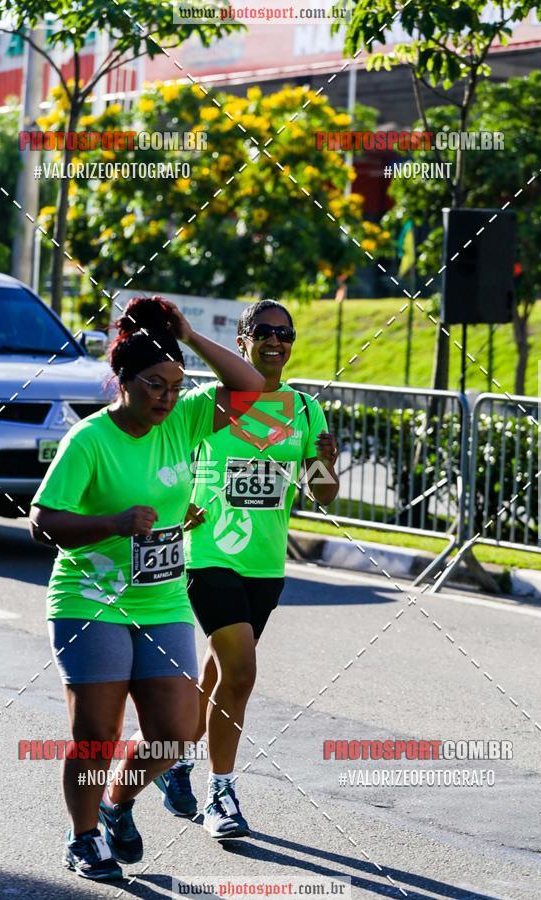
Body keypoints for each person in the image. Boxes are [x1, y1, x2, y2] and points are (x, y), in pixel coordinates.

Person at [30, 296, 264, 880]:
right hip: (91, 600)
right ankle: (82, 838)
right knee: (97, 732)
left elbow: (250, 387)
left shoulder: (183, 420)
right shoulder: (88, 441)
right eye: (154, 385)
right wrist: (111, 524)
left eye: (173, 385)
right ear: (123, 381)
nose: (165, 397)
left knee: (177, 729)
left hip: (159, 598)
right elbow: (42, 520)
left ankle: (116, 803)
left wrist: (185, 333)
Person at [154, 299, 339, 839]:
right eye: (264, 332)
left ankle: (174, 758)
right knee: (241, 673)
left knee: (218, 672)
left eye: (286, 333)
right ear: (242, 341)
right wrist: (174, 507)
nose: (276, 341)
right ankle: (222, 794)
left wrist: (328, 458)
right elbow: (163, 461)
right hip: (208, 554)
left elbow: (322, 494)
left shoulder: (305, 409)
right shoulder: (211, 403)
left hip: (265, 565)